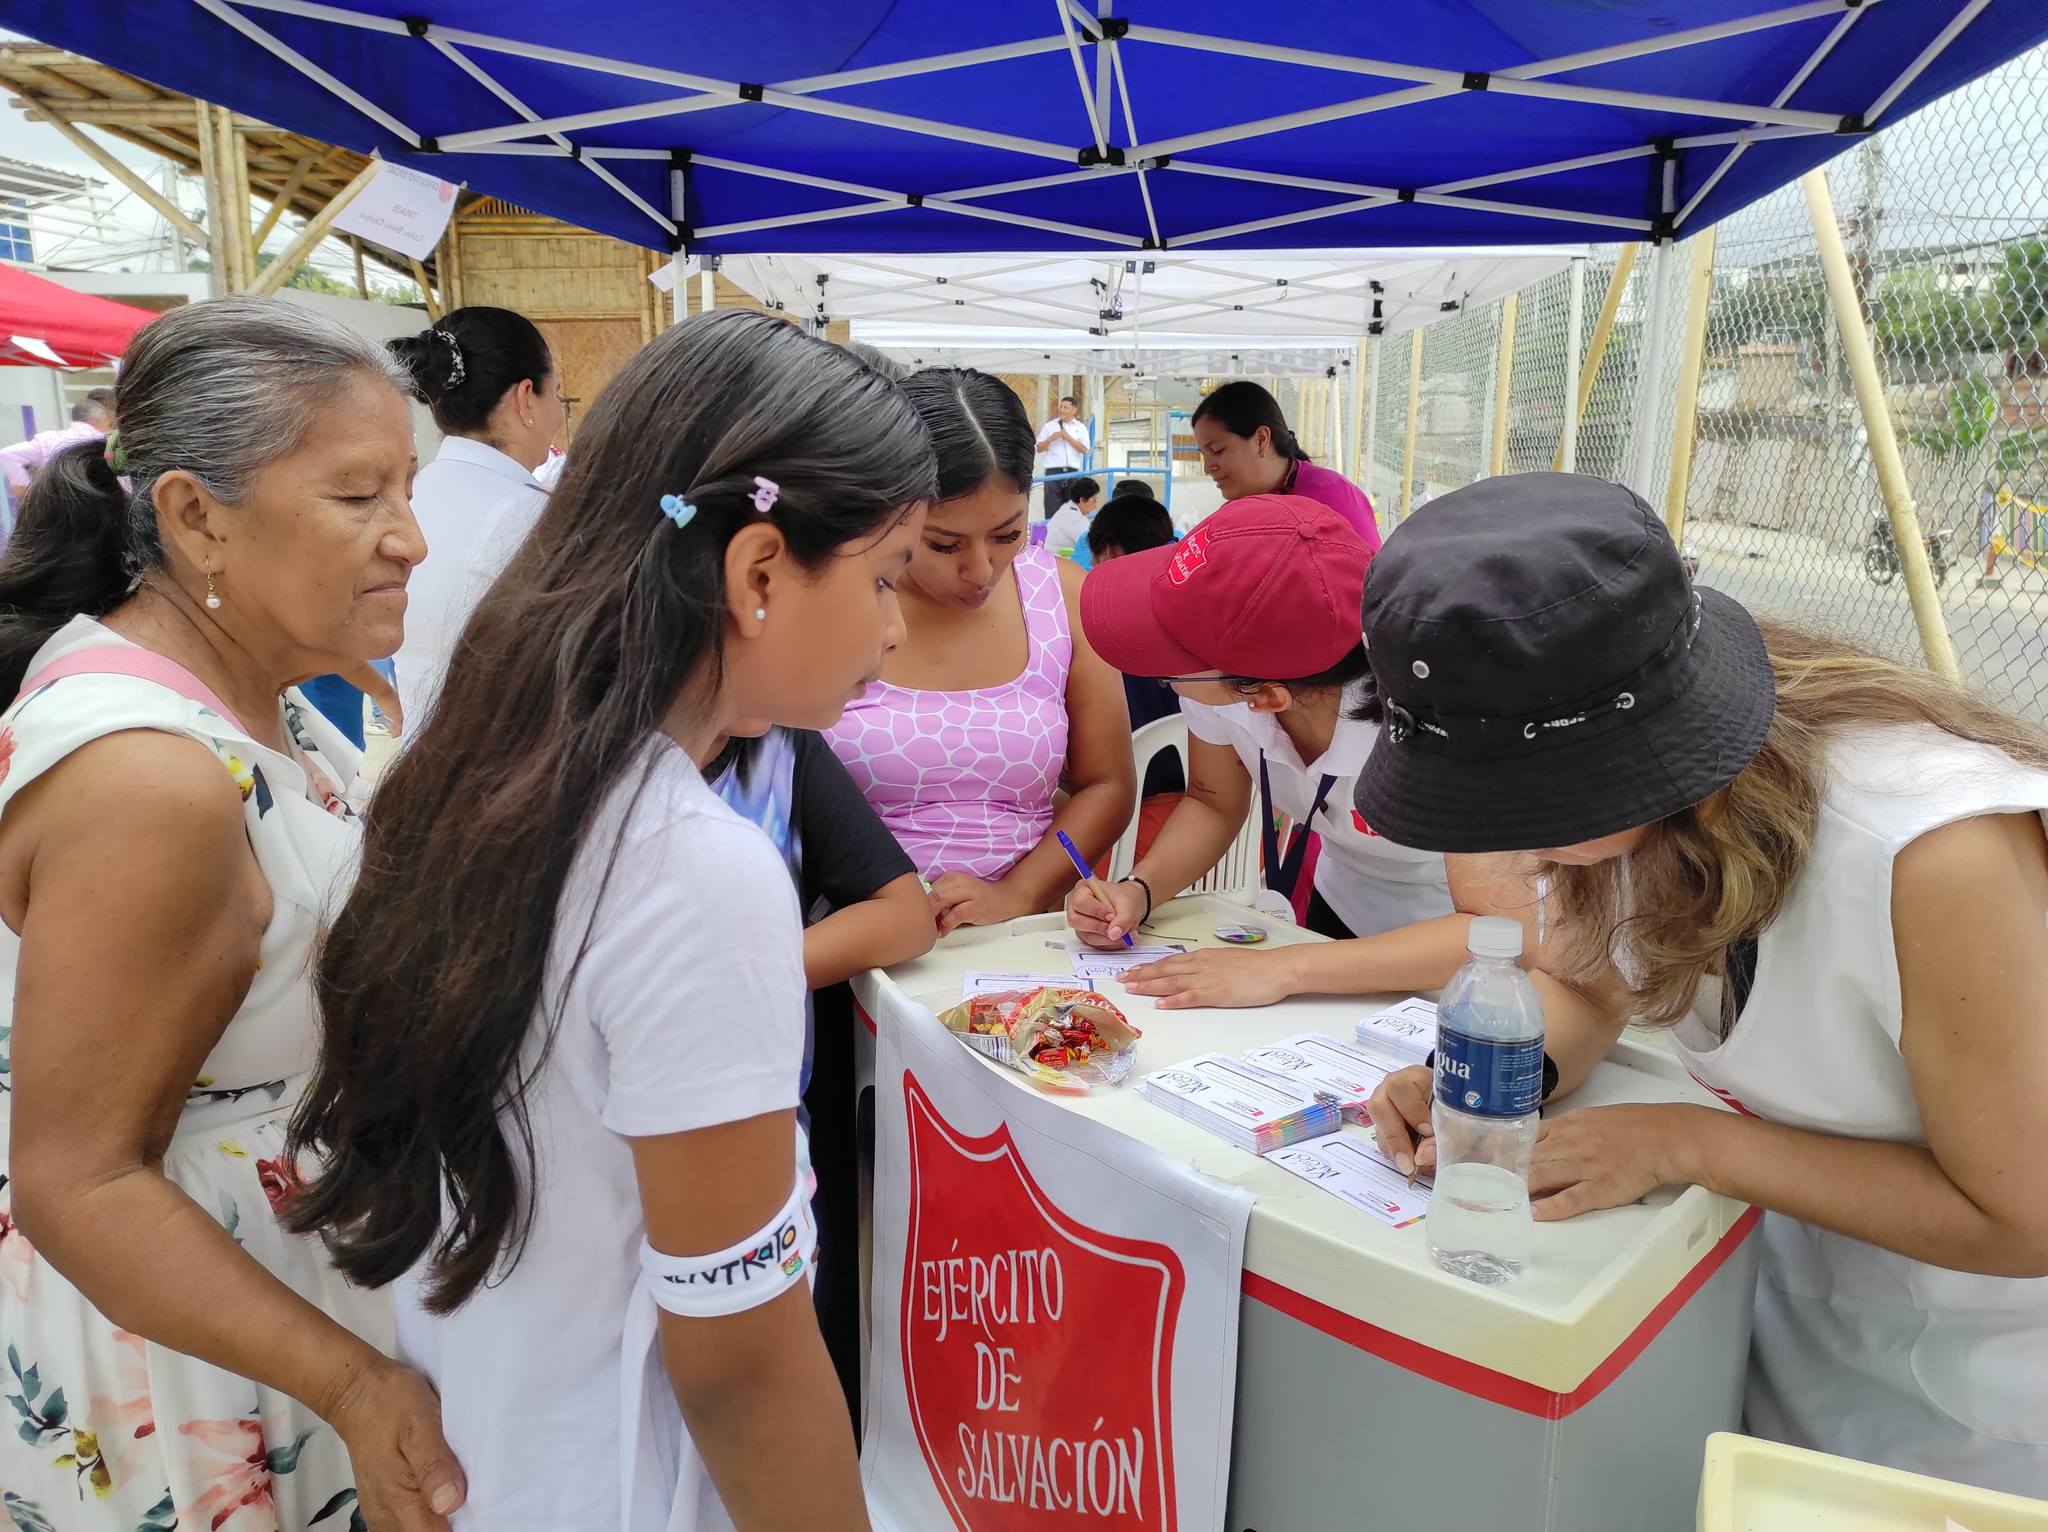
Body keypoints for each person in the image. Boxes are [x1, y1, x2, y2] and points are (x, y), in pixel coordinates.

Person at [286, 307, 937, 1530]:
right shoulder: (691, 867)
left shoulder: (475, 776)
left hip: (495, 1458)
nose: (897, 626)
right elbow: (741, 1362)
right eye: (886, 574)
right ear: (757, 573)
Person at [1358, 473, 2048, 1499]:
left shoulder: (1929, 853)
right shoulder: (1626, 818)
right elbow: (1593, 987)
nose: (1509, 839)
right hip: (1782, 1302)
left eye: (1527, 805)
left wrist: (1682, 1141)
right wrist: (1494, 1085)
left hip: (1973, 1393)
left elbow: (2023, 1216)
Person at [0, 297, 462, 1530]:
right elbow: (80, 1177)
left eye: (406, 487)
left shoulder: (262, 688)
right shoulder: (151, 779)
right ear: (196, 516)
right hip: (200, 1363)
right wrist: (356, 1385)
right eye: (357, 495)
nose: (410, 538)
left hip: (266, 1313)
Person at [1068, 495, 1452, 992]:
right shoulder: (1223, 687)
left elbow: (1499, 926)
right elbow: (1212, 803)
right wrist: (1139, 891)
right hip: (1339, 912)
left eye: (1172, 667)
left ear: (1268, 697)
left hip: (1453, 945)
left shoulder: (1441, 724)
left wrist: (1282, 970)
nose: (1168, 677)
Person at [827, 368, 1134, 935]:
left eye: (1007, 535)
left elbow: (1107, 784)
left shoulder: (1064, 598)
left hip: (1019, 939)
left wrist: (1017, 892)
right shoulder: (834, 598)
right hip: (853, 935)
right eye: (943, 544)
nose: (980, 570)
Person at [702, 725, 933, 1426]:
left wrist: (731, 977)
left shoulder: (777, 749)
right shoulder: (546, 759)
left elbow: (906, 914)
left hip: (762, 1144)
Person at [388, 306, 562, 727]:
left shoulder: (410, 498)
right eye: (556, 392)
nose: (560, 411)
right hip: (511, 754)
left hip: (424, 746)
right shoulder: (528, 516)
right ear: (526, 398)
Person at [1191, 380, 1379, 549]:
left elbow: (1368, 573)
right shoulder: (1236, 511)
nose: (1207, 467)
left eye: (1217, 450)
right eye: (1204, 454)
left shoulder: (1332, 497)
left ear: (1261, 440)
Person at [0, 388, 113, 496]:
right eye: (108, 422)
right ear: (97, 419)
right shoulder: (105, 441)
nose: (109, 426)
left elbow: (8, 454)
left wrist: (25, 489)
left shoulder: (49, 440)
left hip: (55, 502)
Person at [1035, 393, 1090, 519]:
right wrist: (1050, 439)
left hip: (1072, 473)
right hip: (1053, 473)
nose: (1062, 410)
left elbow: (1084, 449)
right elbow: (1039, 448)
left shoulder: (1081, 428)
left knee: (1072, 509)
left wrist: (1067, 437)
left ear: (1074, 410)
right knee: (1051, 508)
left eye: (1066, 407)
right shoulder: (1049, 426)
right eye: (1061, 407)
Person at [1045, 474, 1101, 561]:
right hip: (1056, 561)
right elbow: (1091, 544)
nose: (1096, 505)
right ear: (1082, 499)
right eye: (1094, 500)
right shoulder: (1073, 518)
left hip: (1056, 558)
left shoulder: (1068, 510)